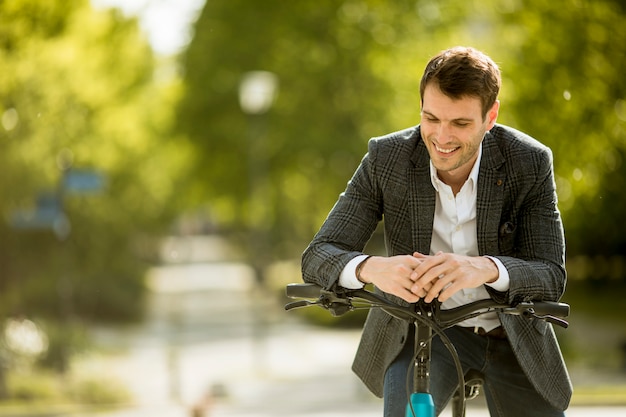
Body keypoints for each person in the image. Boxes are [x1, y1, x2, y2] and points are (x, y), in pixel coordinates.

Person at [301, 46, 572, 417]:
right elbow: (319, 254)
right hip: (425, 335)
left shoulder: (529, 161)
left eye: (460, 123)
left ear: (490, 116)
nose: (441, 137)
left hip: (513, 336)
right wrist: (372, 269)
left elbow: (551, 274)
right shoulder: (387, 158)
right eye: (431, 118)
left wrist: (487, 268)